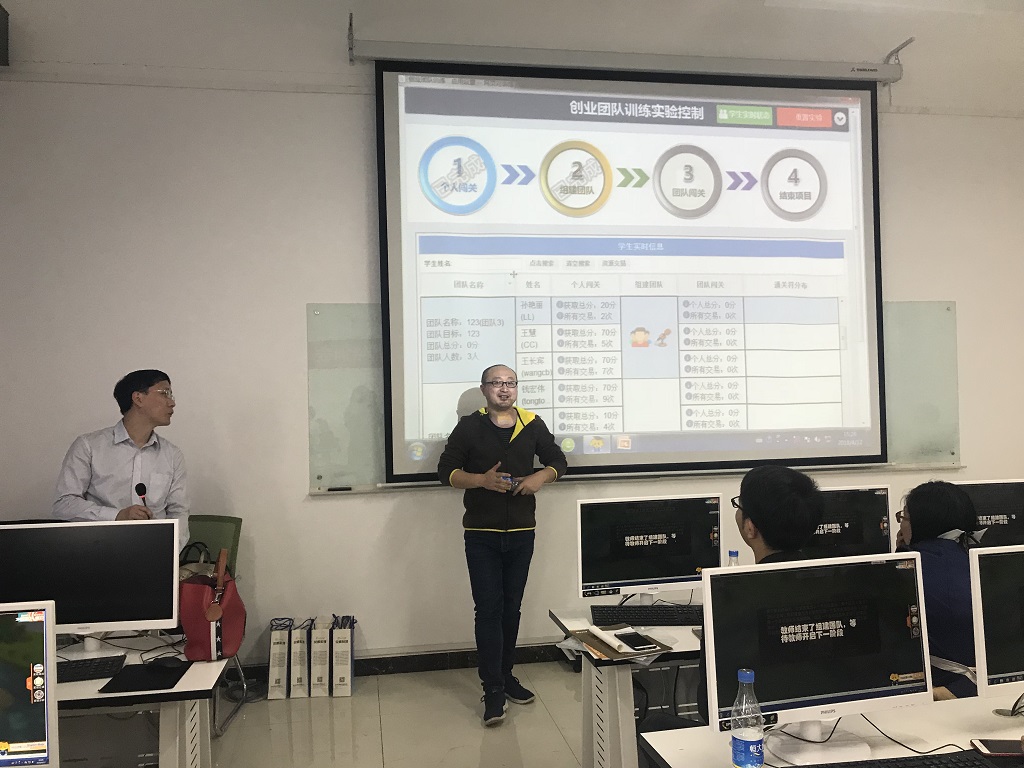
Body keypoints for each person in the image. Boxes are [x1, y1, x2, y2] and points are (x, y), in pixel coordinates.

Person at [437, 364, 568, 727]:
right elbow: (446, 471)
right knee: (488, 610)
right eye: (496, 383)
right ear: (484, 389)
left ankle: (506, 675)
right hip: (482, 533)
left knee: (512, 609)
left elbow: (558, 461)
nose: (504, 389)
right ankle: (492, 688)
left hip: (523, 531)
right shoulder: (469, 426)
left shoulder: (532, 423)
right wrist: (481, 480)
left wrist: (541, 476)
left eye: (510, 383)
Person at [691, 464, 824, 726]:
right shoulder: (839, 581)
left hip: (751, 736)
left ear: (750, 528)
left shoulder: (727, 597)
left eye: (740, 505)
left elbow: (711, 706)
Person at [53, 369, 189, 550]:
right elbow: (64, 504)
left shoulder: (172, 455)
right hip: (97, 549)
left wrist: (170, 551)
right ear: (138, 398)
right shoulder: (89, 446)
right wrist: (117, 516)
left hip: (152, 551)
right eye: (165, 393)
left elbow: (178, 511)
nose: (172, 402)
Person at [896, 480, 979, 699]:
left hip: (937, 692)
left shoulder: (906, 573)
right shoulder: (982, 562)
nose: (901, 525)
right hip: (985, 687)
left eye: (904, 518)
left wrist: (898, 559)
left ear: (921, 524)